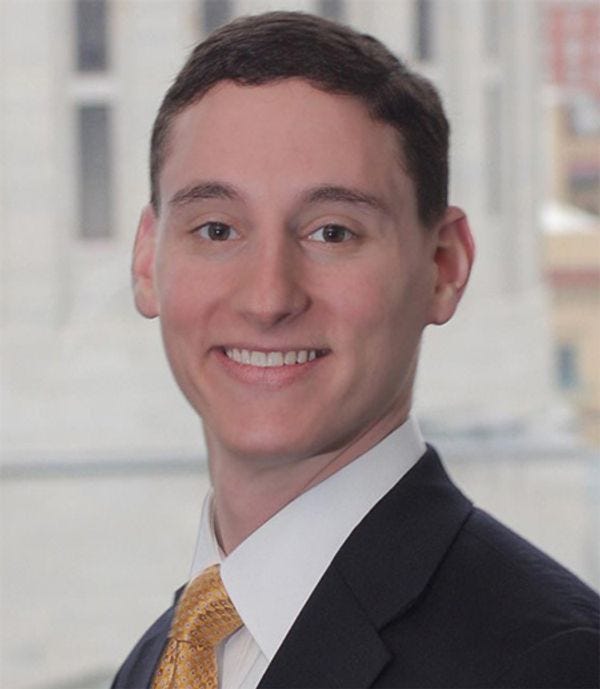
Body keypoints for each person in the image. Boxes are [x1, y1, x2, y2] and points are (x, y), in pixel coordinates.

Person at [111, 11, 599, 689]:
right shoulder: (161, 658)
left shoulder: (551, 664)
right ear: (147, 260)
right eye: (217, 229)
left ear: (444, 266)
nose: (268, 297)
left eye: (332, 233)